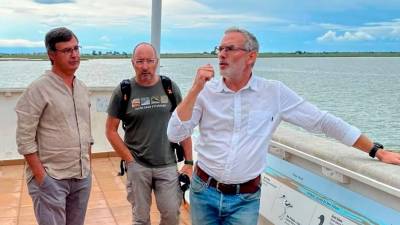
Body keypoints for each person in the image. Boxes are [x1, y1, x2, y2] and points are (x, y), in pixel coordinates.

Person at [167, 27, 400, 225]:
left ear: (251, 57)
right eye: (220, 48)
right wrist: (196, 89)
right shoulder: (206, 92)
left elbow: (323, 121)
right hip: (203, 191)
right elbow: (175, 132)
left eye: (230, 49)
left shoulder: (273, 93)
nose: (222, 54)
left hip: (245, 198)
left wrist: (375, 150)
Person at [105, 42, 193, 225]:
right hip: (138, 165)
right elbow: (110, 130)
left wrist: (189, 162)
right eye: (140, 61)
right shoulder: (123, 91)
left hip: (167, 163)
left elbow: (182, 125)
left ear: (157, 62)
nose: (145, 66)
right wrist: (129, 160)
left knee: (171, 214)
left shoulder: (170, 87)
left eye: (150, 61)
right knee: (141, 219)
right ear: (132, 63)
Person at [15, 27, 93, 225]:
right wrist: (42, 178)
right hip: (52, 178)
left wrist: (88, 167)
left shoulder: (82, 89)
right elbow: (24, 139)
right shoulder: (38, 89)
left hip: (81, 177)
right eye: (67, 50)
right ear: (51, 55)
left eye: (76, 48)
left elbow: (86, 131)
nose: (74, 55)